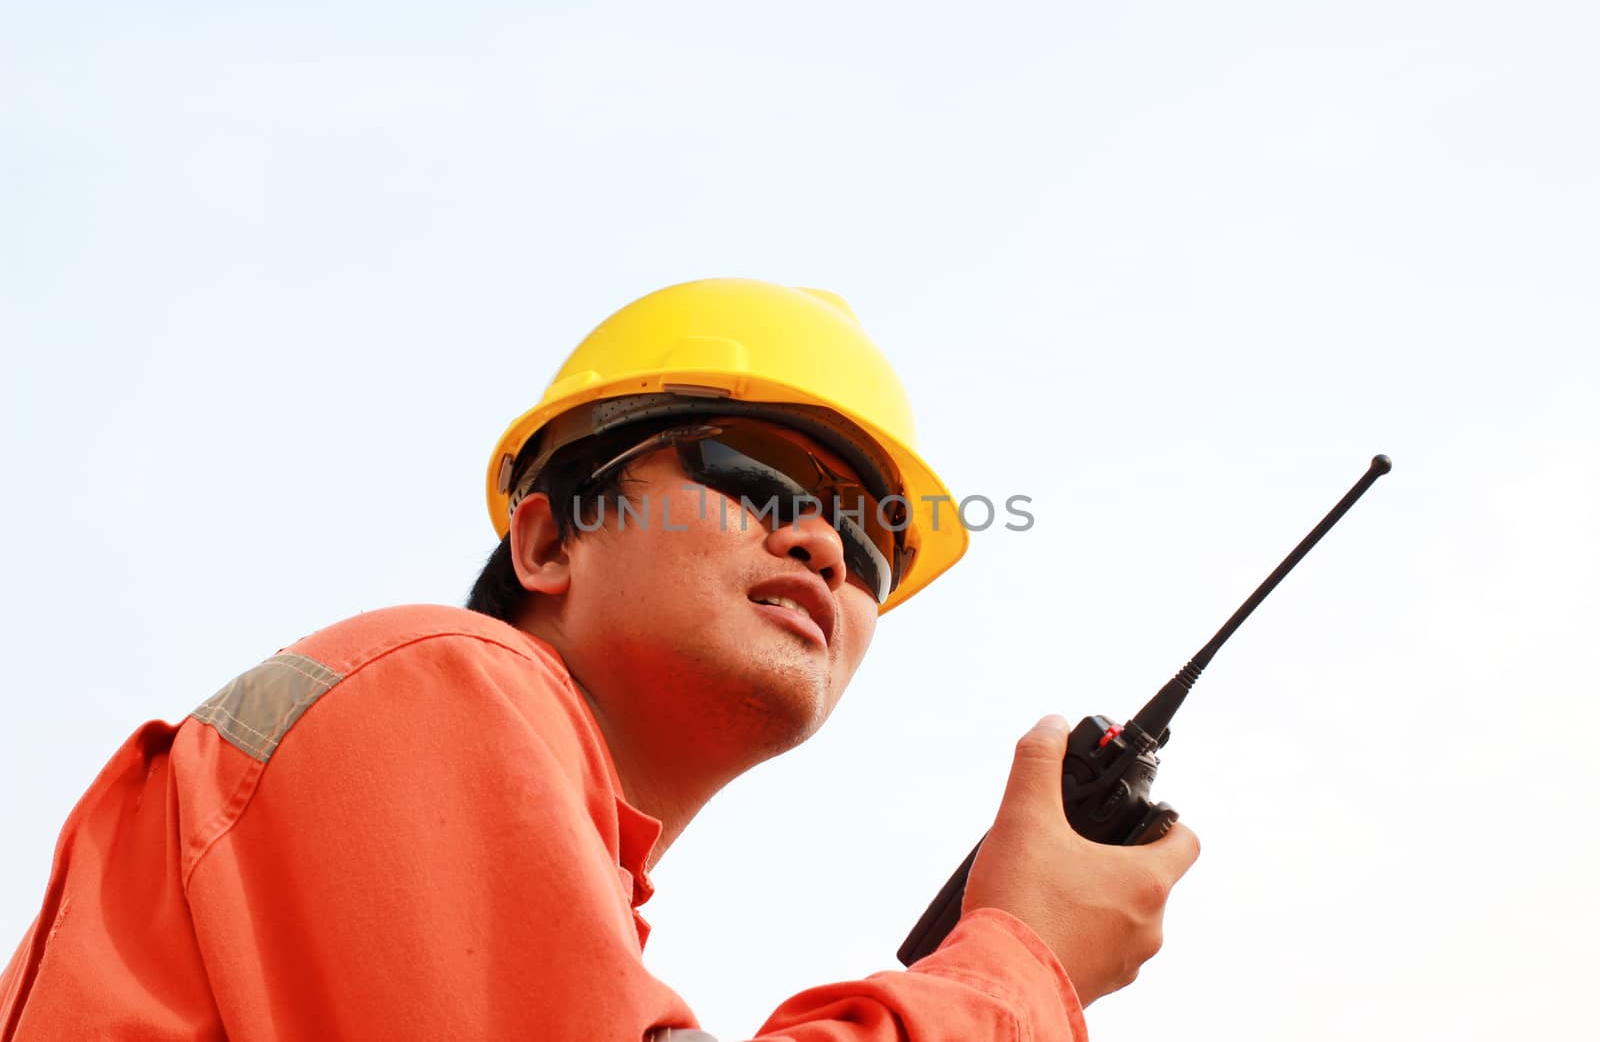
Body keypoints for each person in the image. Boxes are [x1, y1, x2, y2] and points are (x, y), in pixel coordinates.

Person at [0, 279, 1200, 1041]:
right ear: (548, 536)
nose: (824, 542)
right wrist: (1017, 967)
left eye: (873, 539)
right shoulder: (435, 675)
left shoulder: (555, 906)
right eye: (757, 475)